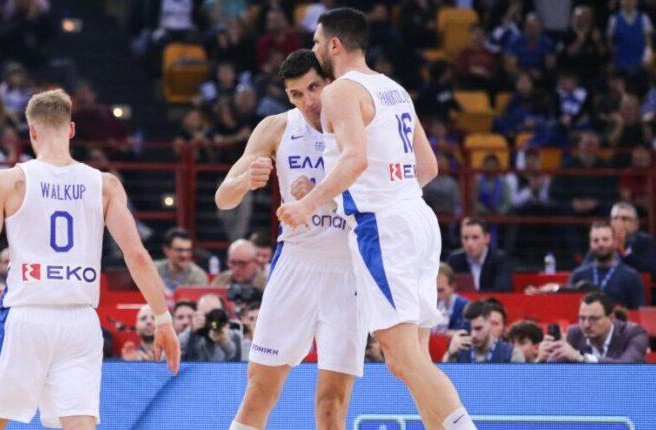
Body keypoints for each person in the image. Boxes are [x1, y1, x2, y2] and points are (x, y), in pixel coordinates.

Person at [278, 9, 476, 429]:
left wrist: (307, 204)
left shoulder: (340, 91)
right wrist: (391, 192)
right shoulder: (394, 89)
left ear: (334, 45)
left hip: (382, 226)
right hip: (417, 217)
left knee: (402, 357)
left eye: (316, 42)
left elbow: (355, 160)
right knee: (412, 361)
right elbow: (428, 166)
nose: (314, 48)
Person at [0, 89, 180, 430]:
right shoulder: (105, 184)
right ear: (72, 129)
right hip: (80, 322)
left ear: (32, 131)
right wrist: (163, 319)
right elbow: (137, 255)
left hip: (27, 316)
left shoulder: (10, 181)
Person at [216, 49, 366, 430]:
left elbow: (381, 188)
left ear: (330, 82)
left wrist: (320, 195)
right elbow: (223, 197)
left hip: (348, 268)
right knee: (259, 389)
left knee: (331, 405)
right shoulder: (276, 128)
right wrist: (246, 180)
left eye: (314, 88)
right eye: (297, 94)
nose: (308, 101)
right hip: (297, 262)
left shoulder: (359, 121)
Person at [537, 292, 648, 363]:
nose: (586, 325)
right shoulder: (574, 333)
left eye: (594, 319)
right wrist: (542, 359)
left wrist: (581, 358)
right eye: (582, 318)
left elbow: (627, 368)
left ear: (611, 318)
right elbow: (554, 374)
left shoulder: (634, 333)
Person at [570, 222, 646, 309]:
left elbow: (639, 312)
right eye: (596, 240)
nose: (600, 244)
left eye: (605, 239)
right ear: (590, 244)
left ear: (614, 242)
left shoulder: (632, 277)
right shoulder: (578, 276)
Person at [442, 301, 524, 363]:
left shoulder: (512, 354)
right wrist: (450, 354)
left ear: (490, 323)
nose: (473, 335)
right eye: (469, 329)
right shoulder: (458, 352)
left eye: (478, 328)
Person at [447, 217, 513, 292]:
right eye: (465, 238)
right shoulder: (454, 260)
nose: (469, 243)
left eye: (475, 237)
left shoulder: (500, 260)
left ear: (487, 238)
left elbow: (503, 290)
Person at [179, 293, 242, 362]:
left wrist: (226, 344)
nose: (211, 319)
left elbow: (240, 365)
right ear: (197, 314)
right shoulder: (185, 338)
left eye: (215, 314)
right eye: (206, 315)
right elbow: (184, 364)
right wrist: (193, 336)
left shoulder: (236, 337)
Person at [154, 227, 208, 293]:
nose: (184, 255)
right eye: (179, 250)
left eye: (188, 250)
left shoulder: (198, 275)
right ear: (166, 250)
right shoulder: (154, 269)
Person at [433, 263, 470, 335]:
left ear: (452, 287)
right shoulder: (425, 306)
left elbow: (466, 334)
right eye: (433, 291)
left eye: (440, 290)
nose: (437, 296)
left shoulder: (465, 307)